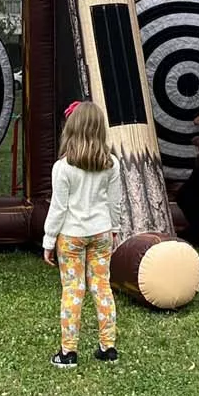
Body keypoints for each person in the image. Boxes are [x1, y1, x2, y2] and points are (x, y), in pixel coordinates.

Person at [43, 101, 122, 368]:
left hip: (71, 235)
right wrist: (116, 229)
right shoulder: (111, 163)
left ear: (72, 127)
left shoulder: (63, 167)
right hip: (101, 232)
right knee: (102, 287)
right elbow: (115, 202)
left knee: (73, 290)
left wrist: (48, 240)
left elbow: (58, 207)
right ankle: (108, 347)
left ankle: (68, 352)